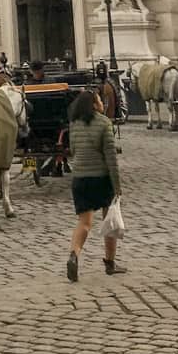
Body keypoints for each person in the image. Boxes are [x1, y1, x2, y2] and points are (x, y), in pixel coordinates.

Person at [66, 87, 123, 281]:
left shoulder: (74, 124)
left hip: (80, 179)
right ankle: (110, 262)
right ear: (94, 105)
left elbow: (72, 150)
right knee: (110, 221)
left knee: (84, 222)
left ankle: (74, 254)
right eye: (99, 100)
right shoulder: (104, 123)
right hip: (101, 178)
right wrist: (117, 187)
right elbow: (111, 158)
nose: (102, 103)